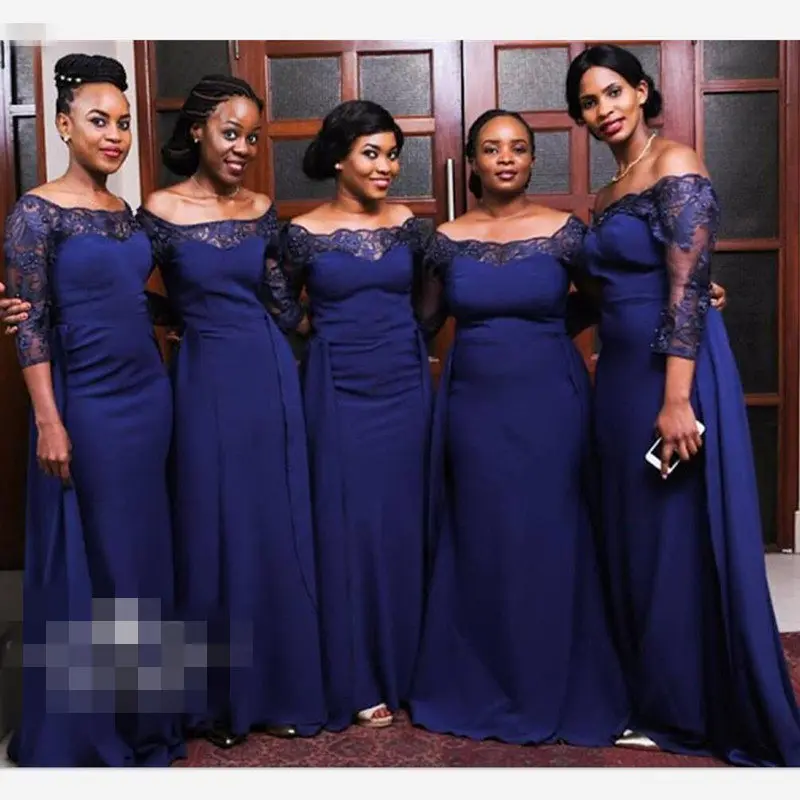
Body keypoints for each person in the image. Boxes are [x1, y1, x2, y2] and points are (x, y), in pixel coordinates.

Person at [565, 43, 800, 766]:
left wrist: (676, 399)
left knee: (676, 537)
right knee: (633, 537)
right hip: (619, 374)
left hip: (673, 372)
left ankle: (688, 705)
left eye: (613, 92)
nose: (602, 110)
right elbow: (612, 288)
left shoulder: (677, 162)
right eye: (588, 102)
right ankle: (646, 690)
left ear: (641, 92)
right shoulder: (608, 191)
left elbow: (688, 289)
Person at [408, 108, 631, 745]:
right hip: (473, 405)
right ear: (473, 163)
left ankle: (551, 678)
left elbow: (609, 298)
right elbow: (422, 321)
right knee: (481, 533)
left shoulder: (566, 233)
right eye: (491, 148)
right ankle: (479, 679)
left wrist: (697, 291)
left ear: (533, 159)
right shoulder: (446, 239)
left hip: (550, 399)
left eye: (517, 148)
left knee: (550, 531)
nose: (505, 158)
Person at [0, 53, 184, 766]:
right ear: (63, 125)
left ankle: (144, 718)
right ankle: (87, 727)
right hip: (88, 404)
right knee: (99, 560)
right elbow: (32, 323)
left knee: (142, 560)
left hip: (148, 398)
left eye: (124, 124)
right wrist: (49, 420)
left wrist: (188, 315)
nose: (115, 136)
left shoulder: (126, 216)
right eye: (99, 121)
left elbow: (127, 300)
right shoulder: (35, 212)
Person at [137, 75, 326, 748]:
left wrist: (358, 315)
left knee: (271, 527)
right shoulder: (158, 210)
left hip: (266, 373)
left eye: (252, 136)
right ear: (197, 132)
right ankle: (214, 699)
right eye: (230, 133)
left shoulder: (262, 209)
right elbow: (118, 286)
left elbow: (280, 302)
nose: (244, 148)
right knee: (209, 527)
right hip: (203, 377)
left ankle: (276, 690)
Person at [268, 100, 434, 730]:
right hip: (337, 392)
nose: (386, 166)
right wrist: (323, 336)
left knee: (405, 526)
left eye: (392, 154)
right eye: (371, 153)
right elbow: (280, 301)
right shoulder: (302, 233)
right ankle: (357, 673)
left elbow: (435, 298)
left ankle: (412, 667)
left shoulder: (409, 226)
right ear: (339, 158)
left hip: (405, 389)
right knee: (348, 531)